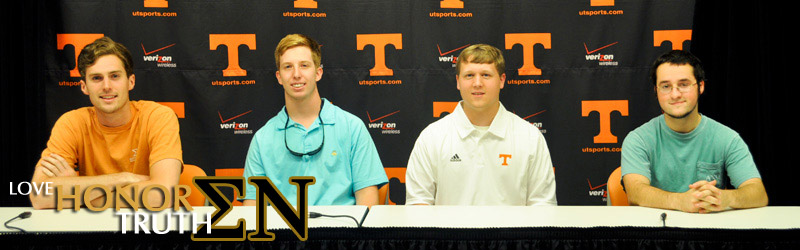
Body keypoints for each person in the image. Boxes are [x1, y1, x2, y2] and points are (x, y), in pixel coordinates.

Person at [29, 37, 183, 209]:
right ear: (84, 87)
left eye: (115, 76)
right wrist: (123, 178)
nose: (107, 86)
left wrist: (79, 192)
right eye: (96, 78)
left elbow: (163, 195)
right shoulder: (71, 123)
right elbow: (39, 196)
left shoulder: (158, 117)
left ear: (130, 82)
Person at [242, 34, 388, 207]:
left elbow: (368, 208)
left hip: (342, 233)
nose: (296, 74)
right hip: (283, 233)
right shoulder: (262, 139)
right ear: (279, 77)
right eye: (288, 67)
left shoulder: (352, 128)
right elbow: (252, 213)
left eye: (304, 65)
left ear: (318, 72)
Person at [405, 44, 557, 206]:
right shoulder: (432, 137)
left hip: (512, 232)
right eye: (469, 75)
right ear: (458, 81)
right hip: (451, 232)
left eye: (486, 75)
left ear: (502, 80)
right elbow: (418, 205)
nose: (477, 83)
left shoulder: (530, 137)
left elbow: (542, 206)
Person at [621, 50, 768, 213]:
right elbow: (635, 193)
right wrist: (681, 201)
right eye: (665, 86)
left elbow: (758, 194)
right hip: (657, 232)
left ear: (701, 86)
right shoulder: (638, 139)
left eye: (683, 84)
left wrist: (724, 198)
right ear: (656, 91)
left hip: (708, 230)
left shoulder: (727, 138)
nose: (675, 94)